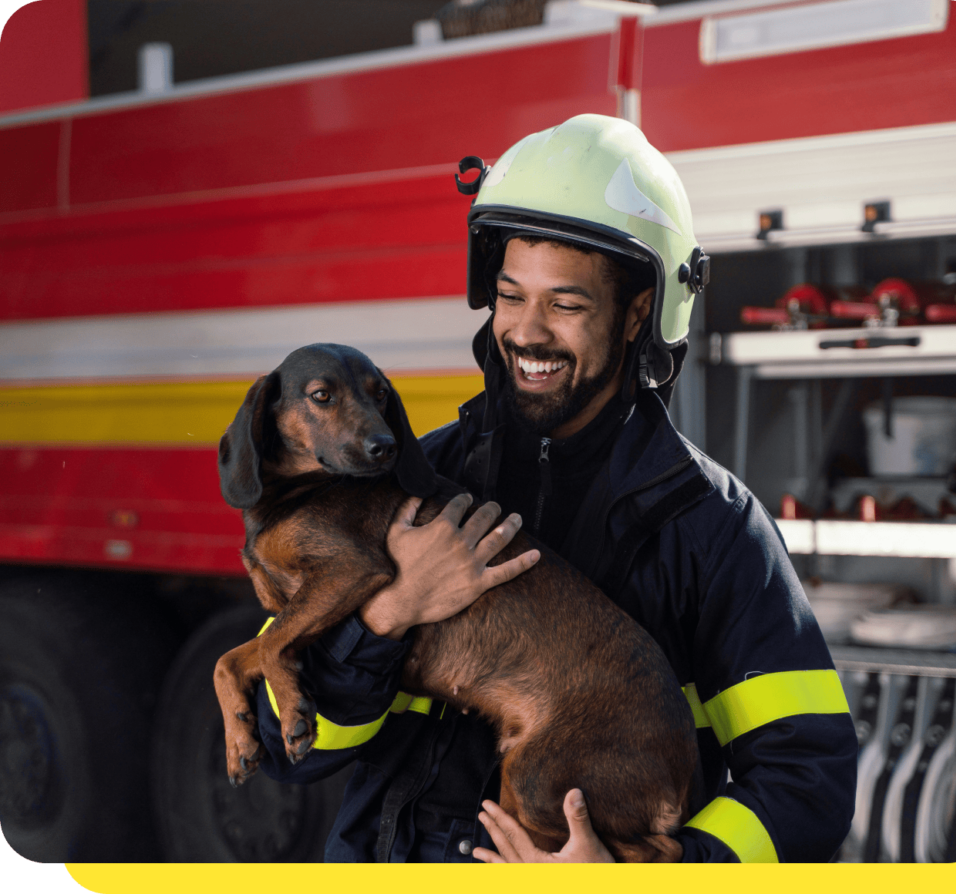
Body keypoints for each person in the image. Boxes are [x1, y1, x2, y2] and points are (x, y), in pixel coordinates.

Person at [252, 114, 859, 862]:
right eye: (511, 296)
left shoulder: (709, 525)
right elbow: (287, 750)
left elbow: (809, 782)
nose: (528, 332)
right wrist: (386, 614)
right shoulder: (403, 483)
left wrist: (649, 879)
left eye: (565, 304)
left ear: (640, 313)